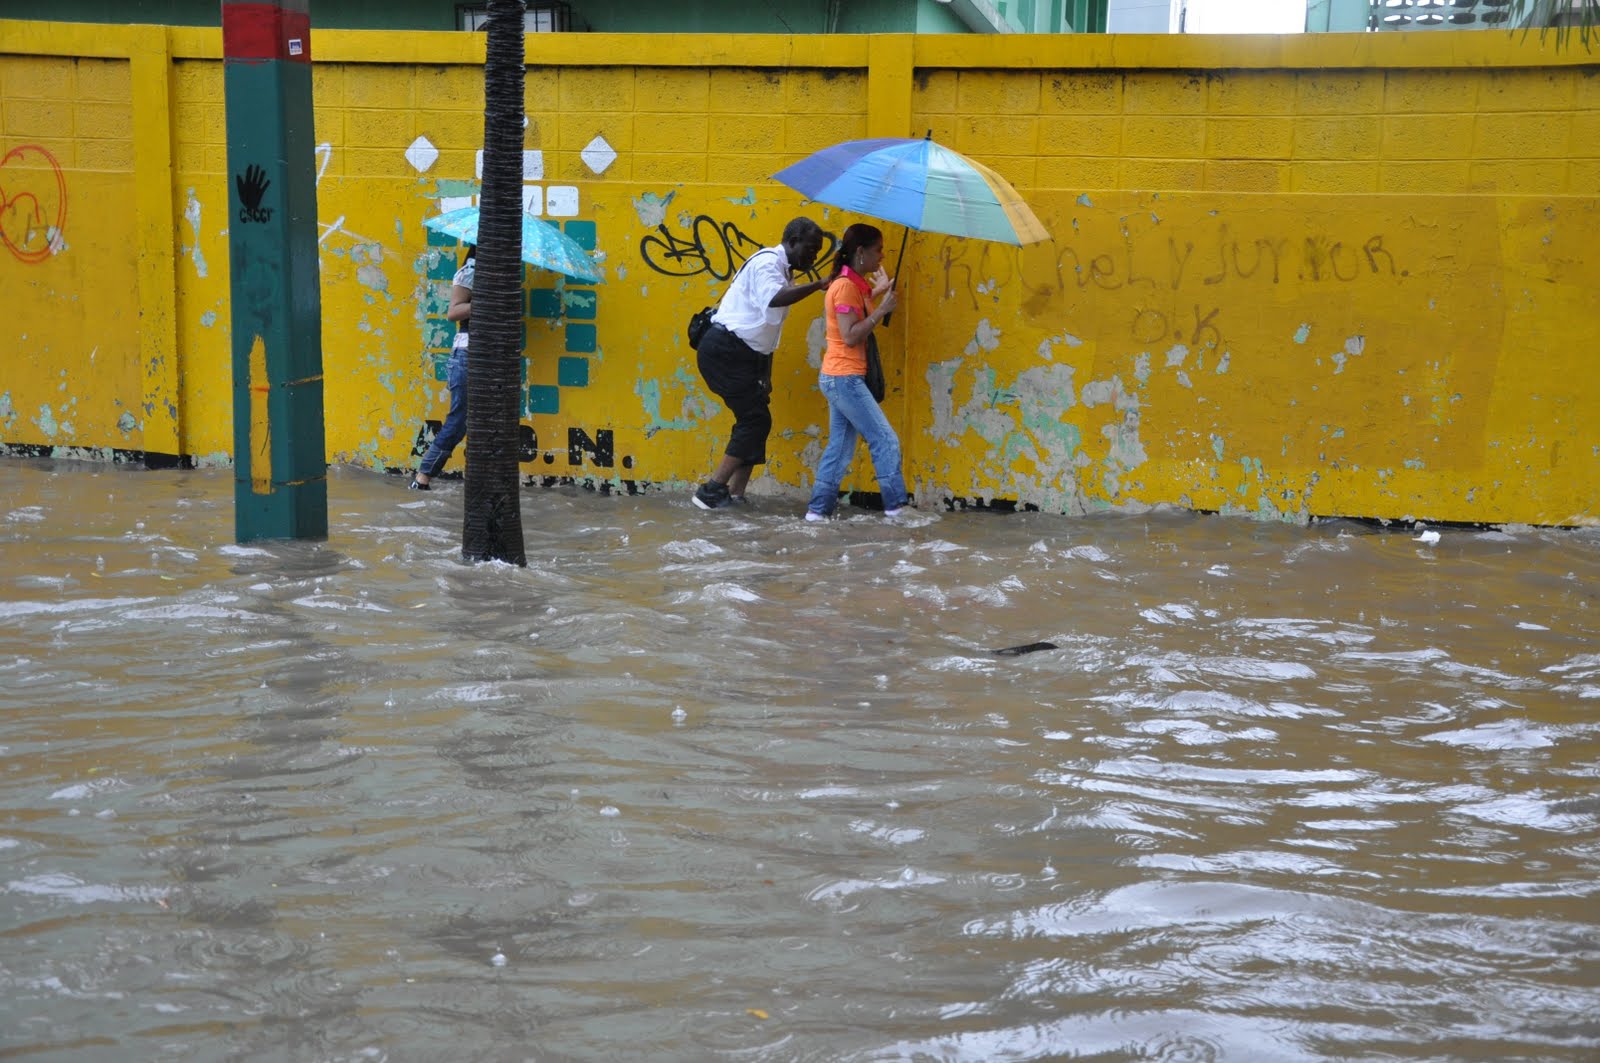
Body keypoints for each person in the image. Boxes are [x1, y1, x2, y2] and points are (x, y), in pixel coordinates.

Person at [691, 217, 829, 510]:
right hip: (724, 350)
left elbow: (768, 331)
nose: (814, 256)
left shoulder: (784, 272)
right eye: (811, 249)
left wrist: (764, 374)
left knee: (756, 420)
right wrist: (818, 285)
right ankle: (712, 490)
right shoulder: (768, 264)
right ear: (792, 242)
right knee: (755, 420)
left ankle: (736, 495)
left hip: (744, 355)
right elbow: (775, 300)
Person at [804, 223, 910, 521]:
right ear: (860, 252)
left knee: (839, 449)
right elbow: (850, 335)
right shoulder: (846, 287)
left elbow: (856, 305)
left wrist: (879, 292)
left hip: (839, 378)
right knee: (885, 439)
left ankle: (817, 513)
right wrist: (880, 311)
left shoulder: (851, 284)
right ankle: (896, 509)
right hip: (845, 379)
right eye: (878, 250)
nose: (882, 257)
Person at [409, 246, 475, 490]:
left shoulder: (502, 272)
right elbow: (453, 312)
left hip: (493, 356)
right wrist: (485, 300)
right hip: (468, 353)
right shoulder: (470, 271)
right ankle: (423, 477)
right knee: (459, 421)